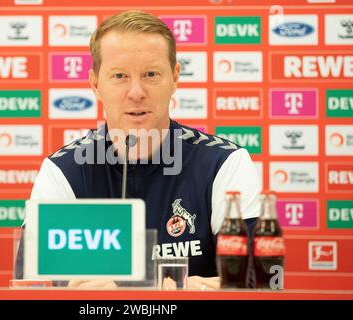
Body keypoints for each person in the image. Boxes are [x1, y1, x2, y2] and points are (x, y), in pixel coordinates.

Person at [16, 10, 260, 291]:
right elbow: (31, 285)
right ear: (95, 84)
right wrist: (69, 291)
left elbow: (257, 282)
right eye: (119, 76)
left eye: (151, 74)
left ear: (175, 77)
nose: (136, 92)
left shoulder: (224, 163)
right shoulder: (64, 171)